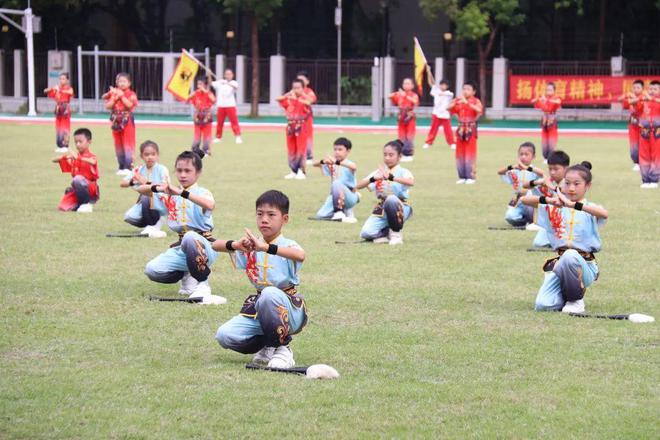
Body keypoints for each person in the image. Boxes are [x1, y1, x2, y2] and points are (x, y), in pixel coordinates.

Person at [214, 190, 307, 369]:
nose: (264, 219)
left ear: (285, 219)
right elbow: (214, 245)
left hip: (289, 310)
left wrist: (265, 247)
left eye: (271, 215)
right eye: (260, 214)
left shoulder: (287, 245)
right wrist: (236, 245)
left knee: (270, 293)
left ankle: (283, 349)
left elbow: (300, 255)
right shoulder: (251, 245)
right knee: (224, 335)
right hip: (259, 307)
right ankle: (268, 346)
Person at [521, 161, 608, 314]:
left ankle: (576, 300)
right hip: (561, 264)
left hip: (585, 266)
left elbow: (604, 214)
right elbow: (524, 200)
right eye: (567, 183)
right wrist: (550, 200)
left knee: (570, 255)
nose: (571, 188)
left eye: (577, 184)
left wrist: (574, 205)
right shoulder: (556, 206)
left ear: (587, 186)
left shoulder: (590, 208)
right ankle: (568, 295)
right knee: (543, 305)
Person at [141, 151, 225, 303]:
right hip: (182, 248)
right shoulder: (171, 194)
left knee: (190, 237)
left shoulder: (202, 192)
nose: (183, 175)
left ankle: (203, 283)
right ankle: (187, 273)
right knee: (152, 270)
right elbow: (139, 189)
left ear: (198, 173)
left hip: (205, 246)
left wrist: (182, 193)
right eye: (179, 171)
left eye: (188, 171)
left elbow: (210, 205)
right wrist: (158, 188)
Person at [356, 140, 414, 245]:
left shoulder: (403, 172)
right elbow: (358, 186)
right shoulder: (379, 172)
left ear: (399, 157)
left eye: (391, 155)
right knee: (366, 233)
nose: (387, 158)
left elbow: (411, 182)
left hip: (400, 207)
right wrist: (373, 178)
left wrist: (392, 177)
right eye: (385, 155)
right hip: (382, 209)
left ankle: (396, 234)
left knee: (391, 199)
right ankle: (386, 233)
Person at [120, 140, 170, 237]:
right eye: (146, 154)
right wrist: (133, 181)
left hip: (161, 201)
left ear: (157, 155)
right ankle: (150, 225)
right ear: (142, 156)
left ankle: (155, 225)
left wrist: (145, 182)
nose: (150, 157)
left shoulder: (162, 169)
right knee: (129, 217)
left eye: (153, 154)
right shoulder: (138, 169)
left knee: (146, 195)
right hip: (145, 202)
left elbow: (165, 187)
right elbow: (122, 183)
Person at [524, 150, 571, 248]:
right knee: (538, 243)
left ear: (566, 169)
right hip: (552, 223)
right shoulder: (549, 181)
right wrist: (538, 182)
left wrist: (552, 187)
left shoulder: (571, 181)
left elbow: (564, 191)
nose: (552, 172)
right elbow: (525, 186)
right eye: (550, 169)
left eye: (556, 169)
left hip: (568, 222)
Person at [496, 142, 544, 228]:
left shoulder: (534, 170)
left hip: (532, 203)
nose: (523, 157)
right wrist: (511, 167)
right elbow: (499, 172)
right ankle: (525, 221)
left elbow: (542, 174)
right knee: (509, 216)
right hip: (519, 203)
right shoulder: (515, 171)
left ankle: (534, 220)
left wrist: (526, 168)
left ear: (533, 157)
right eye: (521, 154)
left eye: (526, 154)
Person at [52, 128, 99, 213]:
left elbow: (93, 161)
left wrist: (79, 158)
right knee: (62, 207)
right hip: (77, 189)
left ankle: (86, 203)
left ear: (89, 142)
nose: (77, 144)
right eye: (76, 142)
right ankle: (78, 204)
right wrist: (66, 156)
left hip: (90, 189)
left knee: (77, 179)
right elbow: (54, 160)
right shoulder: (74, 158)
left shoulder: (91, 156)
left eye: (80, 142)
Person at [313, 137, 359, 222]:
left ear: (348, 151)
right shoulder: (332, 163)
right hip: (335, 196)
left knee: (336, 183)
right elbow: (314, 164)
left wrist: (337, 162)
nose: (337, 152)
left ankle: (340, 212)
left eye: (340, 149)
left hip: (349, 196)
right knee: (321, 215)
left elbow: (354, 167)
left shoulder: (348, 163)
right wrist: (324, 161)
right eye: (335, 149)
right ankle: (344, 213)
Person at [103, 72, 139, 177]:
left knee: (128, 143)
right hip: (116, 121)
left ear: (129, 83)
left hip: (127, 120)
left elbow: (129, 105)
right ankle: (121, 166)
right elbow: (108, 106)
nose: (122, 83)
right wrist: (114, 98)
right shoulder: (114, 94)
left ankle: (128, 167)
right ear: (116, 82)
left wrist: (122, 96)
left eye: (124, 81)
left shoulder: (131, 94)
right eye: (120, 81)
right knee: (118, 144)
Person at [277, 79, 313, 180]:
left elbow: (309, 102)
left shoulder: (303, 101)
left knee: (301, 150)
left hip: (301, 127)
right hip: (290, 127)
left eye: (298, 88)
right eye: (294, 88)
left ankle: (302, 171)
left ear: (303, 89)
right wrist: (288, 94)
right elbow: (278, 99)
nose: (296, 90)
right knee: (291, 150)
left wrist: (298, 97)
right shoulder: (289, 100)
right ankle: (293, 170)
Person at [448, 82, 483, 184]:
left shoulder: (476, 101)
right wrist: (455, 102)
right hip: (460, 129)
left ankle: (471, 177)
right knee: (459, 153)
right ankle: (462, 176)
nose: (465, 91)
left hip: (470, 129)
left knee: (470, 153)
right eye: (464, 89)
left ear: (473, 92)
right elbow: (448, 108)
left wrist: (467, 103)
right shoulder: (459, 100)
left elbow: (479, 110)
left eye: (468, 89)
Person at [389, 78, 419, 162]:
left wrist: (405, 95)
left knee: (409, 136)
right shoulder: (400, 95)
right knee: (401, 136)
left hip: (410, 117)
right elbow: (390, 96)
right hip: (401, 117)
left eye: (408, 83)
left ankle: (409, 154)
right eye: (405, 83)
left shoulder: (414, 95)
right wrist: (396, 93)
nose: (406, 85)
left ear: (412, 86)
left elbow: (415, 101)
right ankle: (402, 154)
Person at [44, 72, 74, 153]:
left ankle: (65, 145)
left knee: (65, 127)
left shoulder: (69, 88)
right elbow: (46, 91)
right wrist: (52, 89)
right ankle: (59, 145)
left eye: (63, 79)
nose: (61, 80)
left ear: (67, 80)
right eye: (60, 79)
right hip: (58, 108)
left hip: (65, 108)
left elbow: (71, 93)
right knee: (58, 127)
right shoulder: (57, 88)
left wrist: (59, 90)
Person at [531, 82, 562, 162]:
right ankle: (545, 158)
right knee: (544, 141)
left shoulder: (556, 98)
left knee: (552, 141)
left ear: (554, 90)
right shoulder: (543, 98)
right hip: (544, 122)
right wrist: (538, 100)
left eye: (550, 89)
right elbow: (534, 102)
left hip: (551, 122)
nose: (548, 91)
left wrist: (547, 100)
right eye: (547, 89)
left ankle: (550, 158)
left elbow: (558, 102)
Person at [618, 79, 645, 171]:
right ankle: (636, 163)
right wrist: (627, 95)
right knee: (634, 145)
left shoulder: (644, 97)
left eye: (638, 87)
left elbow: (638, 104)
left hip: (643, 126)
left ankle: (644, 162)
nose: (636, 89)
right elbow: (620, 100)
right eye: (634, 87)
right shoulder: (631, 97)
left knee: (643, 144)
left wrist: (632, 98)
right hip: (633, 125)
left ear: (642, 89)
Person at [422, 78, 455, 150]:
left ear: (447, 86)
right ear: (439, 85)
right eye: (441, 85)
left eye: (444, 85)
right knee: (433, 129)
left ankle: (452, 143)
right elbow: (432, 83)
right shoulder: (436, 91)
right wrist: (428, 72)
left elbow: (444, 93)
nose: (443, 86)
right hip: (436, 114)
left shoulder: (449, 93)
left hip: (445, 115)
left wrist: (439, 92)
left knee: (448, 130)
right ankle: (428, 143)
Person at [638, 80, 660, 188]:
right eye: (650, 89)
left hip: (657, 131)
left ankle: (654, 180)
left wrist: (653, 99)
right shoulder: (644, 100)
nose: (652, 91)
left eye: (655, 89)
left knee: (656, 156)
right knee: (644, 155)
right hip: (644, 131)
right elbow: (635, 110)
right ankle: (645, 180)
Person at [212, 69, 242, 144]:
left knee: (234, 122)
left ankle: (238, 137)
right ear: (224, 75)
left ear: (232, 75)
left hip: (230, 105)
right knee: (220, 122)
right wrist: (209, 75)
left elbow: (236, 87)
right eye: (227, 74)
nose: (228, 75)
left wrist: (227, 83)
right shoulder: (220, 82)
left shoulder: (234, 82)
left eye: (229, 74)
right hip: (221, 105)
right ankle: (218, 137)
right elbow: (211, 83)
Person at [188, 78, 216, 157]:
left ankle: (206, 151)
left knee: (207, 136)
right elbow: (188, 99)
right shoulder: (196, 93)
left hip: (207, 116)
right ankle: (195, 151)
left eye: (201, 84)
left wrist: (205, 92)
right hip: (198, 116)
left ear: (205, 85)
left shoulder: (208, 93)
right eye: (198, 84)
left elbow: (214, 100)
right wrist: (191, 94)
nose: (199, 86)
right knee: (196, 138)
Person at [297, 71, 317, 164]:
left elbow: (311, 100)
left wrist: (302, 94)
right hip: (296, 117)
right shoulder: (294, 91)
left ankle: (309, 156)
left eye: (302, 80)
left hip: (306, 117)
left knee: (308, 136)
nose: (299, 81)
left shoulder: (309, 91)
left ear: (307, 82)